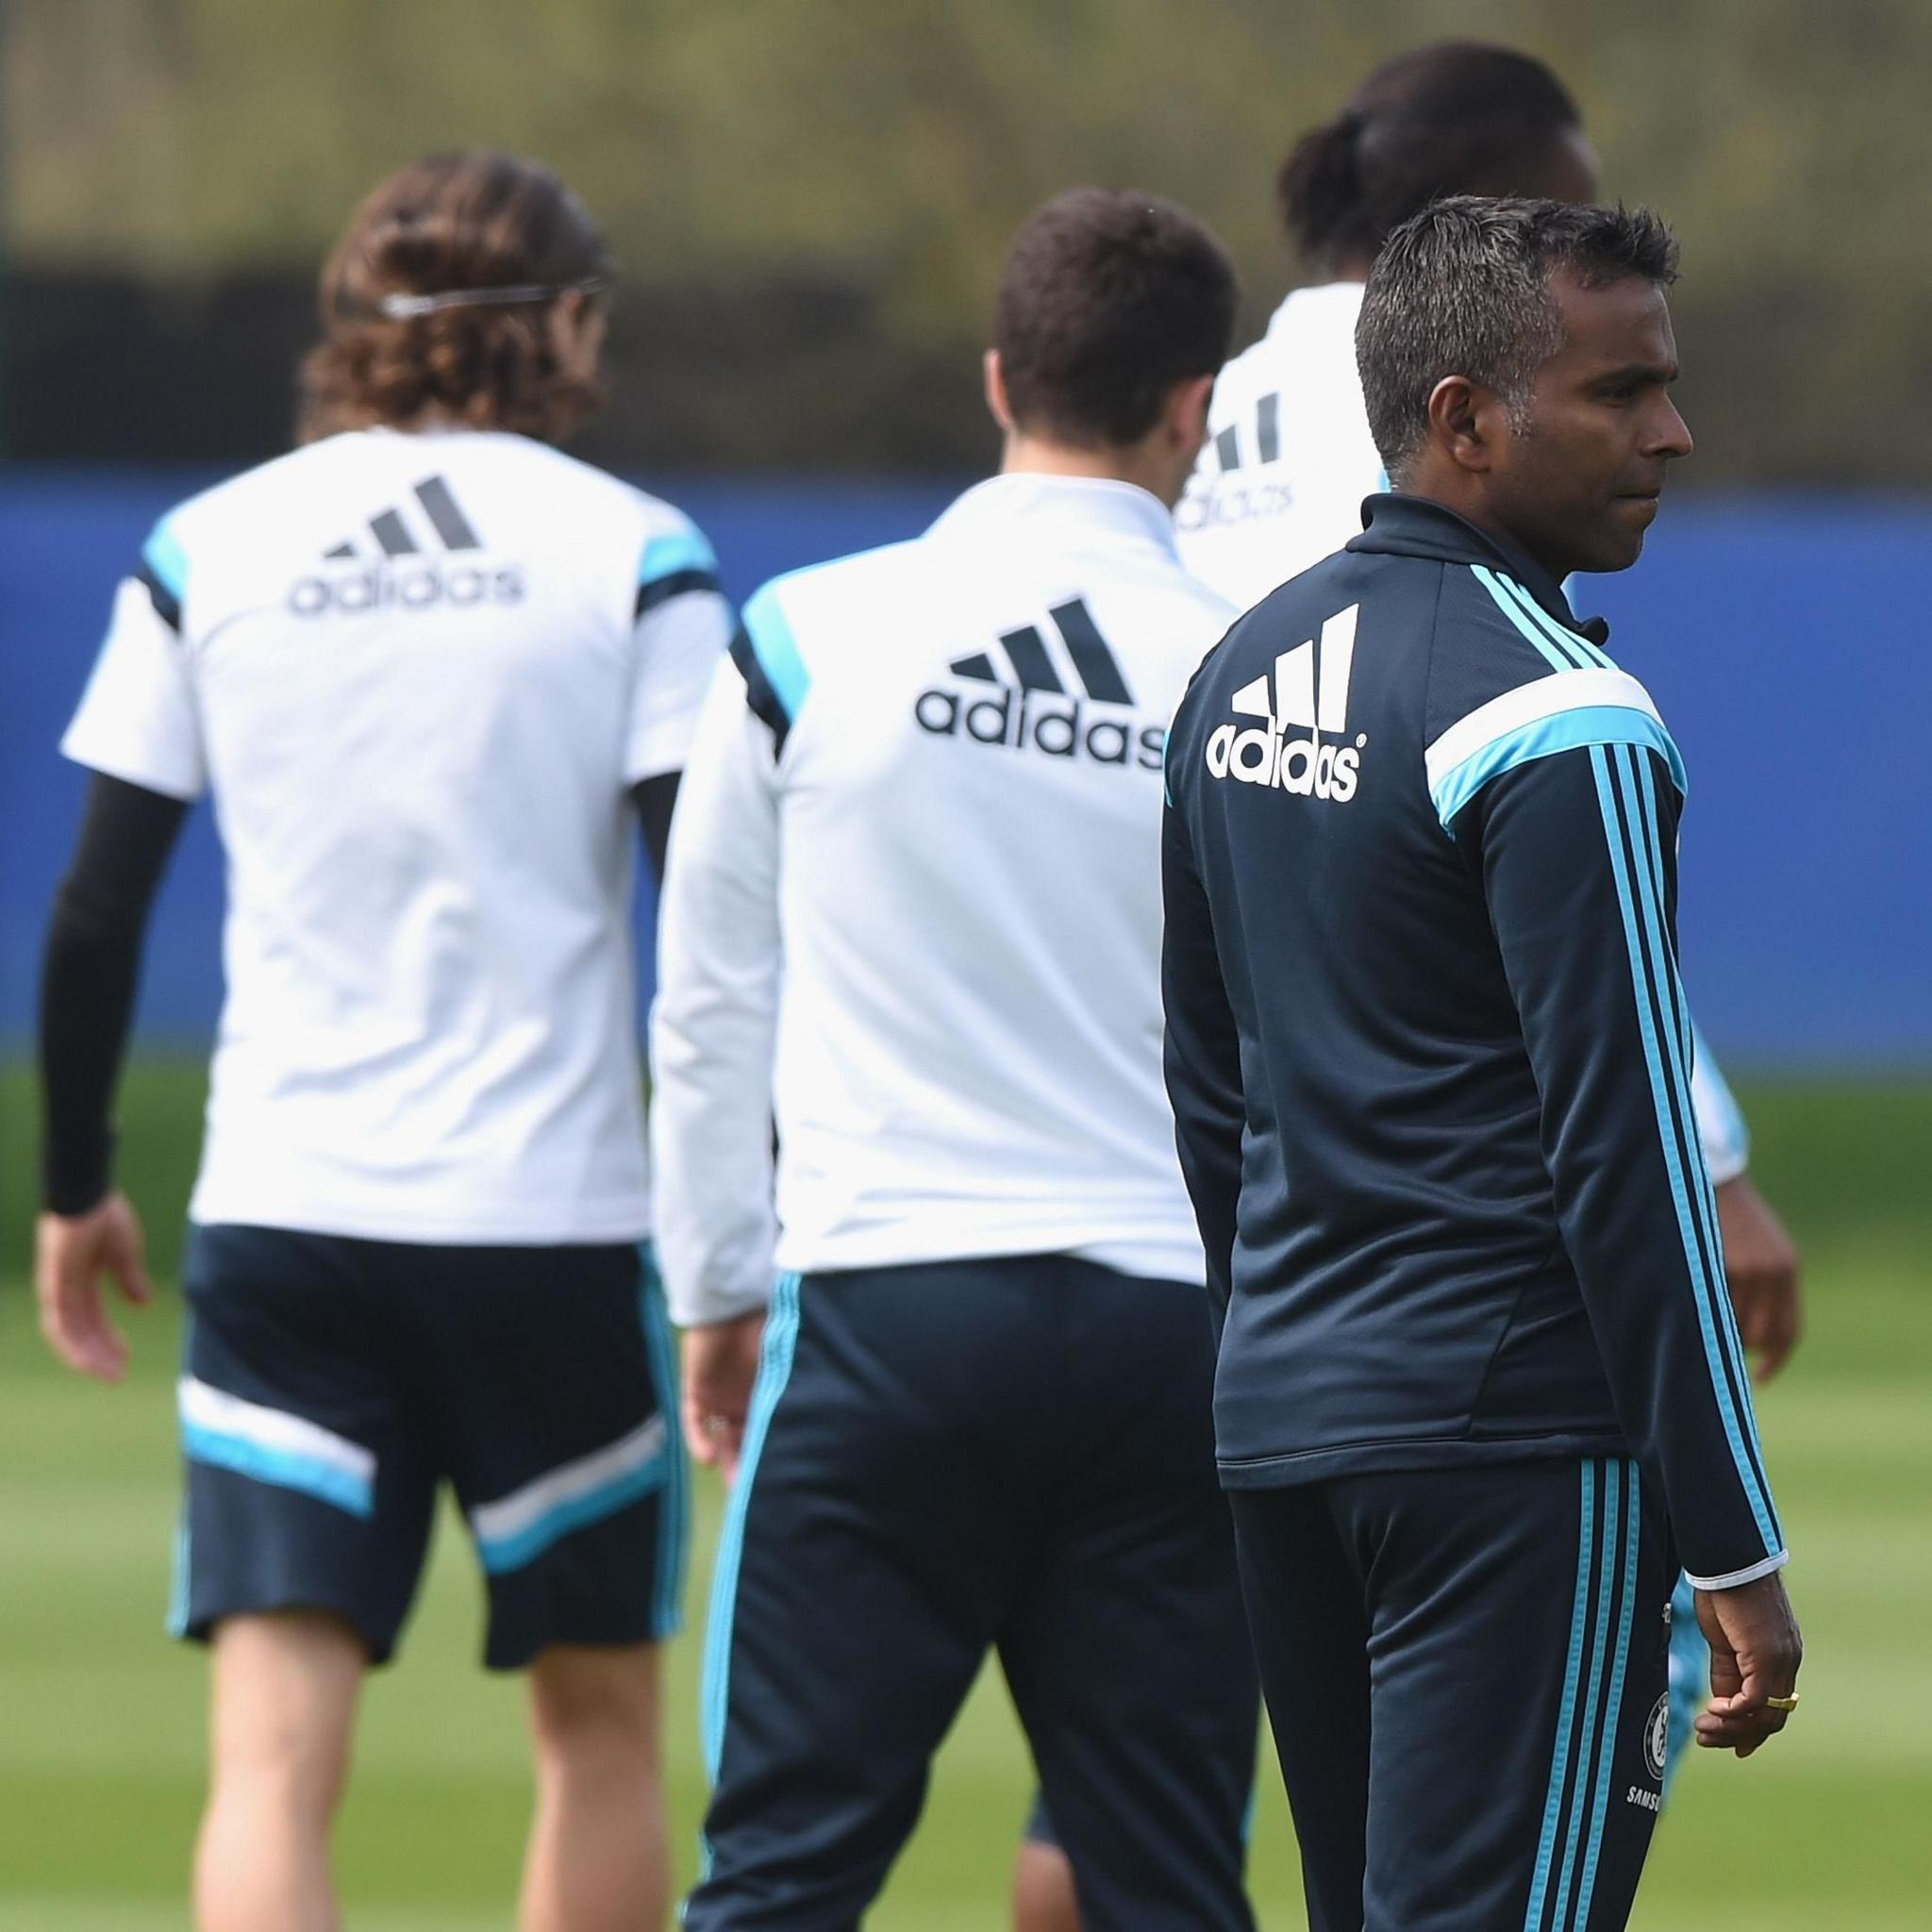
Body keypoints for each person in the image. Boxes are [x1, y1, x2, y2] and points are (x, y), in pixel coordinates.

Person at [35, 151, 729, 1932]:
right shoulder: (640, 554)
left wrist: (73, 1188)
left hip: (288, 1223)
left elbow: (98, 910)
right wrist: (745, 1212)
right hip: (556, 1233)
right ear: (558, 324)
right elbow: (714, 920)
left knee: (268, 1764)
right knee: (596, 1739)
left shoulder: (211, 547)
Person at [1160, 197, 1803, 1932]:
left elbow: (1209, 1088)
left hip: (1292, 1434)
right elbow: (1631, 1159)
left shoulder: (1231, 674)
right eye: (1624, 392)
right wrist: (1731, 1538)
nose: (1671, 431)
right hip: (1516, 1452)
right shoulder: (1564, 715)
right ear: (1463, 419)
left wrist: (1283, 1351)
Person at [652, 187, 1259, 1930]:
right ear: (1194, 404)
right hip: (1176, 1336)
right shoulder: (1256, 669)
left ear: (1000, 377)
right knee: (1165, 1887)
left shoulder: (800, 636)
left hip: (884, 1314)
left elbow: (707, 1004)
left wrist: (711, 1287)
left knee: (780, 1872)